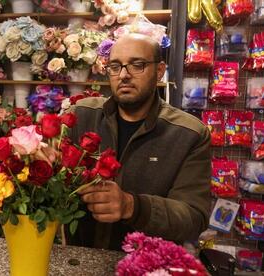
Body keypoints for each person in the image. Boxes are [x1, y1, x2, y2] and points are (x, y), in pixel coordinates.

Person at [67, 33, 212, 250]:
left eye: (137, 65)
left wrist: (132, 207)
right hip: (78, 261)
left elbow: (193, 218)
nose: (124, 75)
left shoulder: (188, 133)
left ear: (160, 71)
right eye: (115, 66)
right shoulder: (82, 115)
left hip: (145, 265)